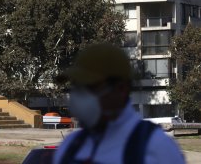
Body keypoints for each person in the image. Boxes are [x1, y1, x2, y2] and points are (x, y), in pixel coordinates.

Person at [53, 43, 185, 164]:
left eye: (90, 87)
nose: (79, 95)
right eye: (76, 86)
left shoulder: (156, 147)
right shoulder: (70, 146)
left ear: (121, 89)